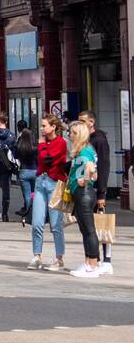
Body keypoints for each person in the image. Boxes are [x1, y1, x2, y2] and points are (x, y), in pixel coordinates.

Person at [28, 113, 68, 272]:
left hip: (54, 183)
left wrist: (42, 145)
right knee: (36, 223)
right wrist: (42, 146)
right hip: (40, 182)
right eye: (42, 125)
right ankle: (37, 255)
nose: (42, 129)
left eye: (44, 126)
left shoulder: (61, 143)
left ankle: (59, 258)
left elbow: (47, 158)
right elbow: (43, 159)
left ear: (54, 127)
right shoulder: (45, 142)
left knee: (56, 224)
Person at [76, 111, 113, 274]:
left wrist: (102, 194)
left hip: (95, 189)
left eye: (82, 121)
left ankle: (106, 260)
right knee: (91, 226)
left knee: (102, 225)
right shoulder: (84, 141)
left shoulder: (99, 140)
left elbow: (104, 167)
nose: (80, 123)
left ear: (91, 122)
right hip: (87, 187)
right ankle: (93, 259)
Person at [67, 120, 102, 278]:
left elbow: (92, 169)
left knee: (88, 231)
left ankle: (92, 264)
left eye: (72, 133)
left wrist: (84, 179)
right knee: (85, 230)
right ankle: (89, 261)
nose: (70, 136)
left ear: (79, 134)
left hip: (84, 193)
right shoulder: (84, 149)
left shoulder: (85, 150)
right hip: (82, 193)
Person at [14, 124, 38, 222]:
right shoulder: (35, 147)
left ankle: (29, 214)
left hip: (24, 172)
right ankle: (36, 213)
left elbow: (15, 157)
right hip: (35, 172)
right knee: (34, 193)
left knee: (27, 195)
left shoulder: (20, 147)